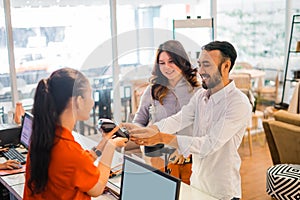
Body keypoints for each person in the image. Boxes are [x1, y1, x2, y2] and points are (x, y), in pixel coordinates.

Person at [122, 41, 252, 200]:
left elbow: (208, 144)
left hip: (222, 191)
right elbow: (178, 119)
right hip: (197, 184)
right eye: (199, 64)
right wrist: (150, 130)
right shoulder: (201, 96)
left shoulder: (238, 103)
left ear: (226, 66)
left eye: (207, 65)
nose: (201, 71)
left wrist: (162, 138)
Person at [23, 68, 128, 199]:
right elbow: (98, 188)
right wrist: (111, 146)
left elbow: (73, 167)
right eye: (90, 95)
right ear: (78, 101)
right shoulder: (70, 152)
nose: (92, 102)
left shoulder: (45, 138)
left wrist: (102, 145)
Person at [132, 40, 200, 184]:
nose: (166, 67)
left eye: (171, 61)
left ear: (181, 61)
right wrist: (143, 135)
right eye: (161, 63)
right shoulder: (152, 90)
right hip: (159, 159)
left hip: (190, 160)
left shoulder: (197, 91)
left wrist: (185, 150)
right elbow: (139, 121)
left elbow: (203, 127)